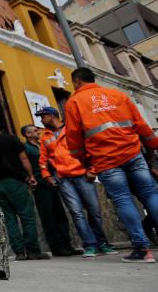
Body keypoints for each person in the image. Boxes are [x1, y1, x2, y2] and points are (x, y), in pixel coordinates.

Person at [64, 67, 158, 263]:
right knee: (151, 195)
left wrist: (85, 161)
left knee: (123, 199)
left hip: (106, 160)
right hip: (133, 155)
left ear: (76, 82)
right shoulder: (117, 94)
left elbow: (74, 138)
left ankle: (143, 250)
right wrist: (151, 148)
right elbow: (140, 124)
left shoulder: (74, 102)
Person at [35, 107, 117, 258]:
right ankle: (90, 245)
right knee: (76, 213)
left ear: (51, 116)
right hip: (63, 179)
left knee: (94, 211)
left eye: (42, 117)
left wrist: (92, 169)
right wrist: (47, 175)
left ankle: (103, 243)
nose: (41, 121)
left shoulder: (72, 129)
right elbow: (42, 159)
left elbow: (89, 148)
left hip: (83, 175)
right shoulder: (44, 137)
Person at [0, 120, 50, 260]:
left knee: (10, 218)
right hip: (16, 182)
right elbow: (23, 158)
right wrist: (31, 176)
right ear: (3, 129)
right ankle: (33, 251)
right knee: (27, 216)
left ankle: (19, 252)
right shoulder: (12, 140)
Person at [20, 123, 74, 256]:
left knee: (60, 214)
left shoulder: (43, 145)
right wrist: (29, 179)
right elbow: (23, 165)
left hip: (52, 182)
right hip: (40, 185)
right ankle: (56, 247)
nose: (39, 132)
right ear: (28, 134)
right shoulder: (25, 148)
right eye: (35, 130)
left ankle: (67, 245)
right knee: (48, 217)